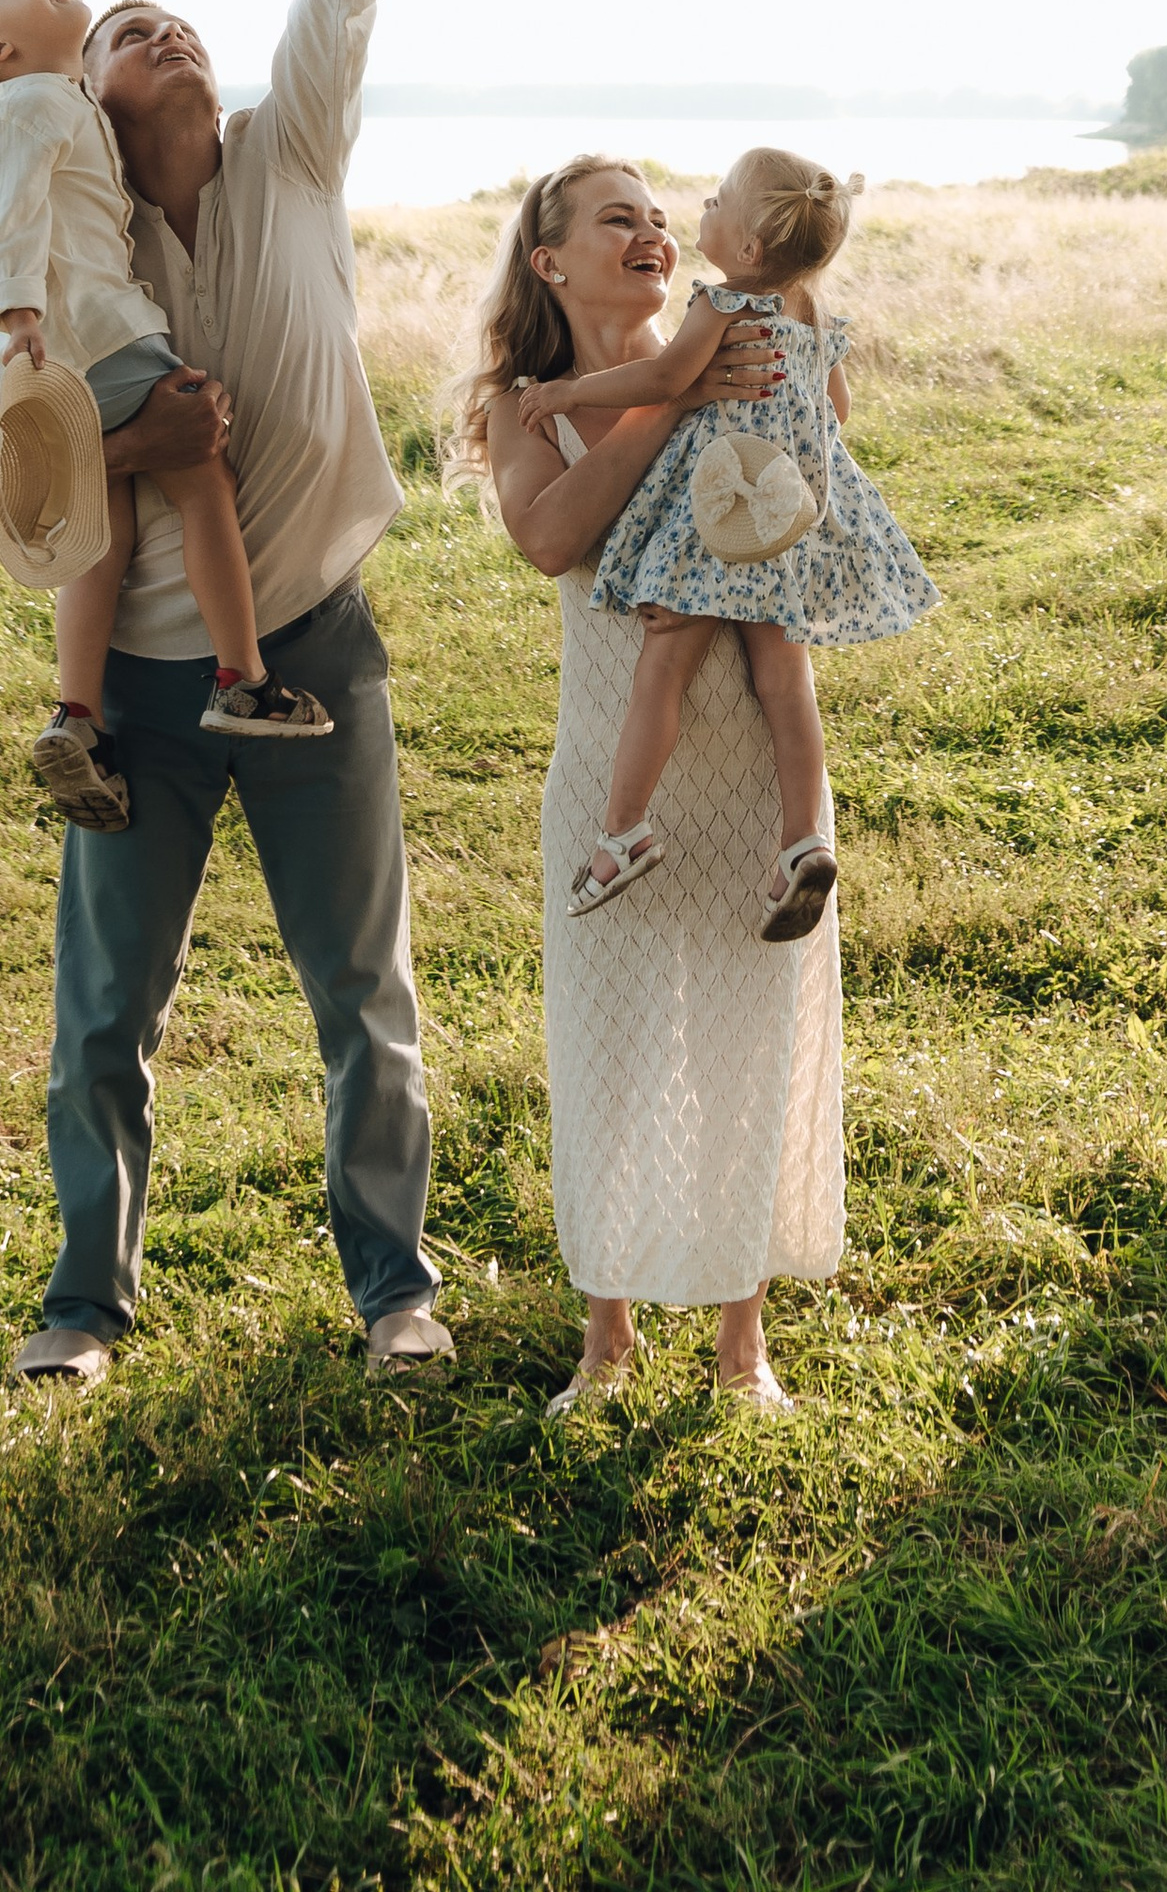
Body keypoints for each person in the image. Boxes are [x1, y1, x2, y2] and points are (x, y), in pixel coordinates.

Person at [6, 0, 468, 1388]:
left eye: (179, 19)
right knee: (106, 1009)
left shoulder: (295, 150)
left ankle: (394, 1291)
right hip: (140, 683)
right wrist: (135, 449)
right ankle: (82, 1304)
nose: (170, 31)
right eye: (130, 28)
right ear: (84, 96)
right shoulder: (70, 246)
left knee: (364, 996)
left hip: (317, 659)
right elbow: (23, 472)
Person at [458, 161, 837, 1417]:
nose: (652, 228)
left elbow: (823, 475)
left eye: (658, 213)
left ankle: (743, 1343)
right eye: (616, 215)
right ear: (549, 259)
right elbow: (551, 537)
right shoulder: (530, 406)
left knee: (751, 1035)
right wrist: (673, 396)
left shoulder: (743, 339)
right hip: (613, 771)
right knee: (611, 1049)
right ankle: (606, 1338)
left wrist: (778, 360)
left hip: (754, 752)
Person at [0, 0, 329, 841]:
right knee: (202, 478)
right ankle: (243, 681)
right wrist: (18, 310)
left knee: (94, 530)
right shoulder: (34, 102)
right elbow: (11, 215)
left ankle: (78, 714)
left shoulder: (55, 105)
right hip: (97, 337)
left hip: (64, 357)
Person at [518, 146, 934, 937]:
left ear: (745, 249)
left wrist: (570, 391)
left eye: (710, 205)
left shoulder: (719, 305)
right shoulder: (811, 312)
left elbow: (665, 380)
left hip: (719, 521)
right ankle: (800, 840)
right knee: (786, 677)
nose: (694, 215)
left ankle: (624, 831)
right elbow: (834, 412)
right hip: (782, 524)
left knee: (665, 661)